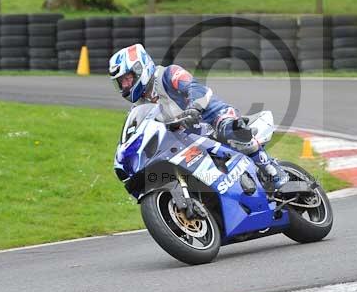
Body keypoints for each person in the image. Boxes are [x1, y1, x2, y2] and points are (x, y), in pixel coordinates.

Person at [108, 43, 289, 190]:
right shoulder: (139, 106)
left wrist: (194, 108)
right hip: (184, 138)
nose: (125, 85)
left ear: (141, 68)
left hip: (210, 117)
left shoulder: (168, 74)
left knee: (231, 131)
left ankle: (273, 171)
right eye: (121, 82)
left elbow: (195, 88)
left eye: (127, 79)